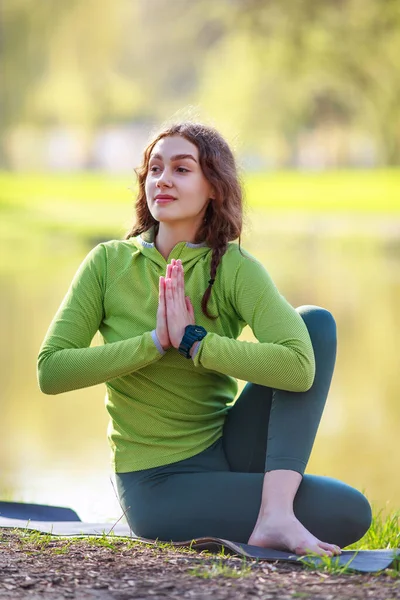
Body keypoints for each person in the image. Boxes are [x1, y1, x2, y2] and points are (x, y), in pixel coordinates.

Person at [37, 122, 372, 556]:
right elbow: (51, 370)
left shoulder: (232, 267)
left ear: (213, 186)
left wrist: (195, 342)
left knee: (315, 325)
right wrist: (154, 342)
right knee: (349, 511)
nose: (163, 179)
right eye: (155, 169)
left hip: (225, 448)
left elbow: (298, 366)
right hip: (158, 484)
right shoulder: (107, 264)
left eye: (181, 169)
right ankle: (269, 515)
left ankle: (275, 512)